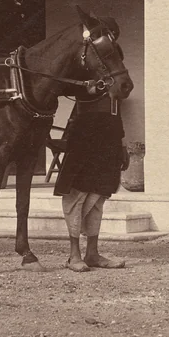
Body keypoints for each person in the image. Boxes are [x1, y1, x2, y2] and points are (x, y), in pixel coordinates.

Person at [53, 94, 129, 271]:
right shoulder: (82, 69)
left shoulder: (114, 75)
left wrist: (122, 145)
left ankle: (92, 254)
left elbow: (117, 112)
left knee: (98, 196)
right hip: (83, 136)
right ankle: (74, 256)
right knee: (77, 195)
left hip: (109, 139)